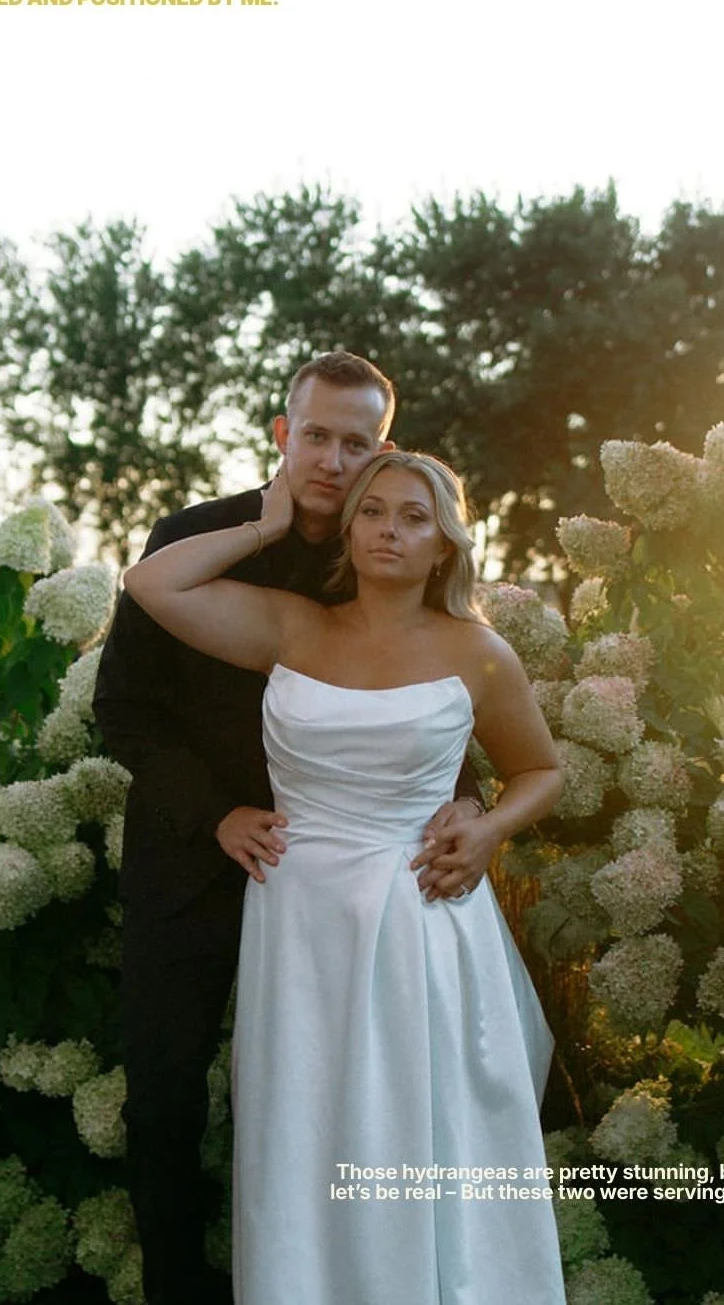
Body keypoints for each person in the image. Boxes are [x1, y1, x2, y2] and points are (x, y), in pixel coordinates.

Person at [122, 448, 567, 1305]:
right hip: (299, 919)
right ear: (350, 527)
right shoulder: (295, 627)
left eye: (413, 517)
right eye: (372, 511)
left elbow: (540, 772)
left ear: (445, 545)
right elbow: (153, 585)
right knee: (304, 1127)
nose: (388, 530)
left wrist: (488, 828)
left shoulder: (479, 651)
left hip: (419, 916)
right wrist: (268, 521)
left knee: (412, 1127)